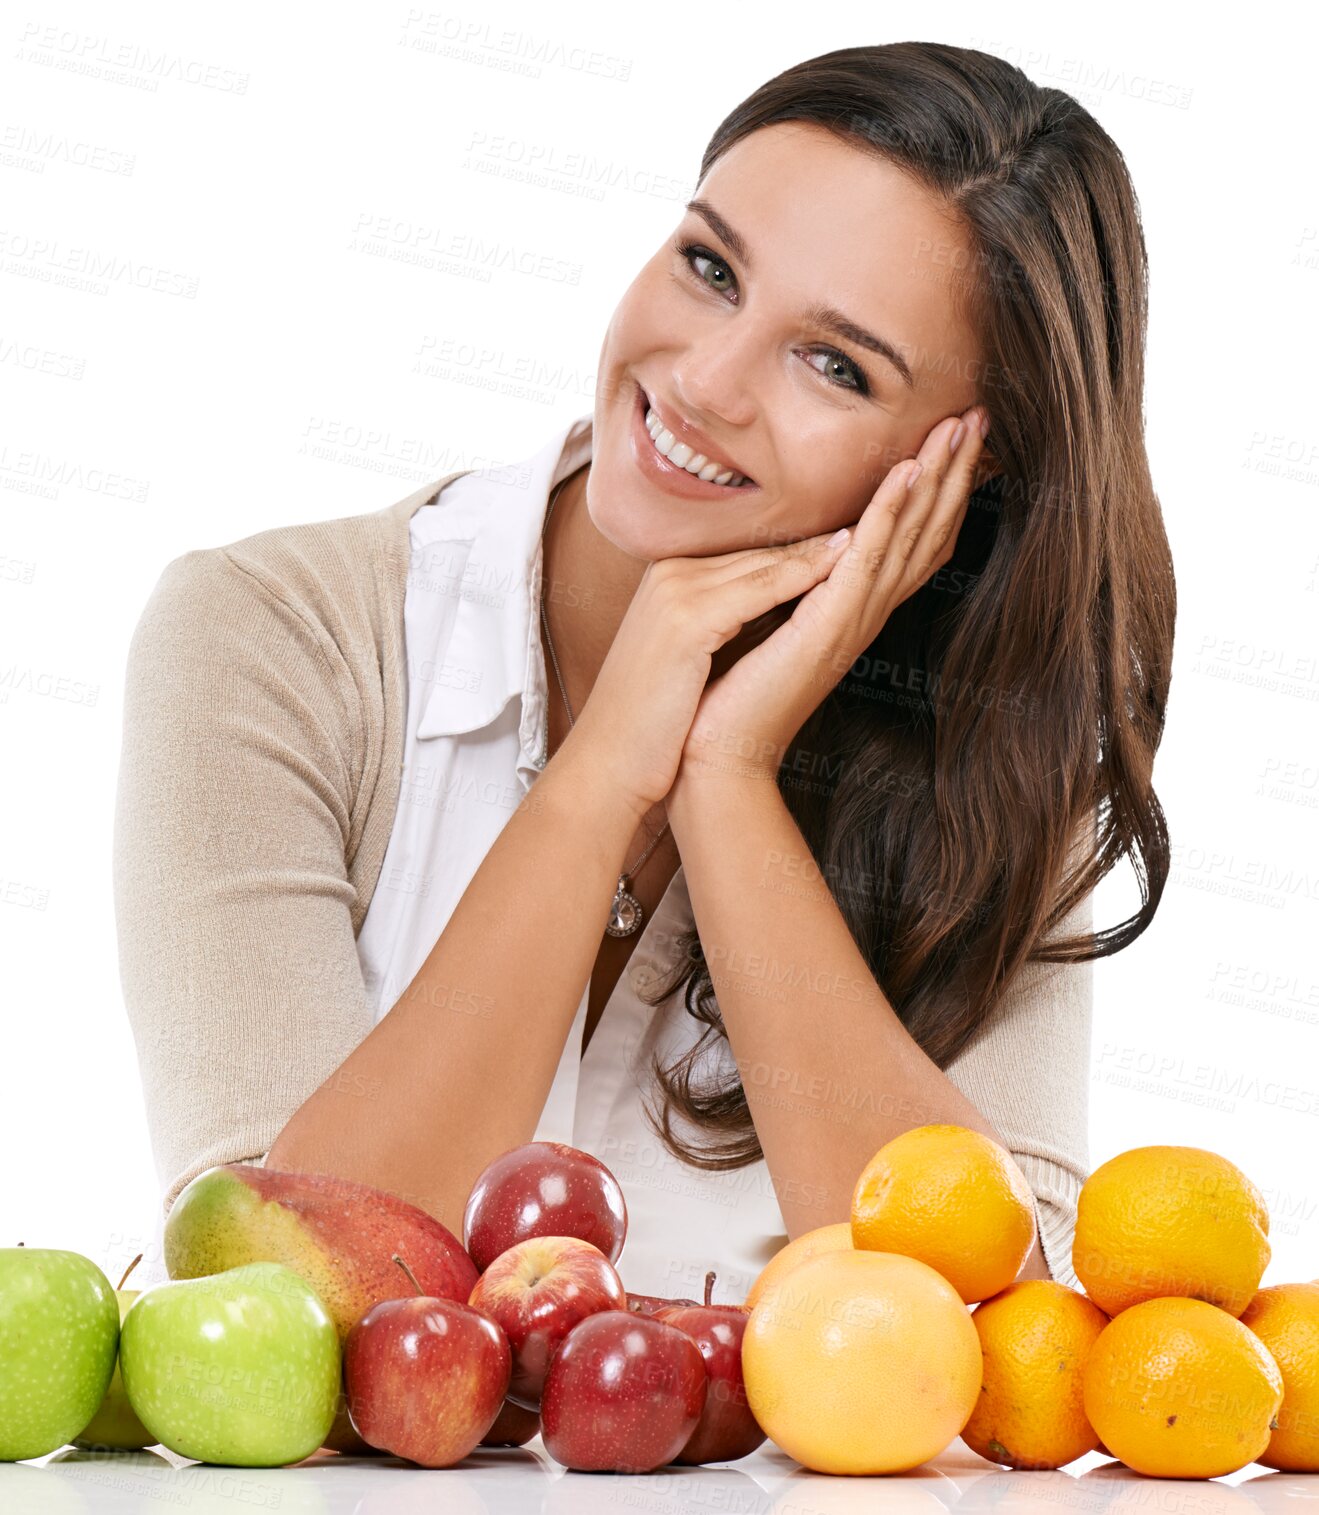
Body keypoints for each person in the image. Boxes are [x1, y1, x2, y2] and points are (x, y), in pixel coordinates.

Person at [114, 42, 1172, 1300]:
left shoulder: (1003, 760)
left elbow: (998, 1345)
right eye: (708, 268)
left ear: (967, 465)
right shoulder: (269, 639)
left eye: (834, 365)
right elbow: (278, 1291)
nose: (704, 382)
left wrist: (726, 780)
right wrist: (605, 770)